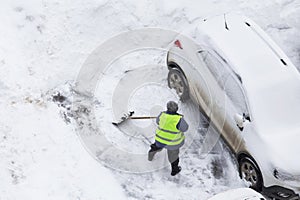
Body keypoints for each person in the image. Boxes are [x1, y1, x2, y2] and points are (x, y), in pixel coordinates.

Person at [148, 101, 189, 176]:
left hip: (160, 140)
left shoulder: (162, 115)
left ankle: (150, 155)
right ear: (176, 109)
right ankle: (174, 170)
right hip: (172, 143)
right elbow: (185, 128)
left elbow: (158, 122)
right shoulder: (179, 119)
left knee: (156, 147)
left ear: (167, 108)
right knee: (173, 157)